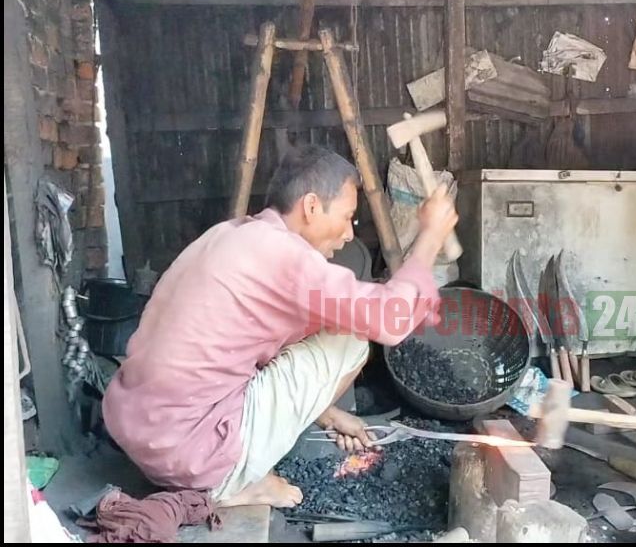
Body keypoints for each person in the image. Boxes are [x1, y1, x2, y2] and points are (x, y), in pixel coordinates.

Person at [103, 146, 458, 508]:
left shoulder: (229, 233)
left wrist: (324, 413)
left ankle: (227, 469)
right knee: (352, 337)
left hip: (142, 435)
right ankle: (231, 484)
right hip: (191, 453)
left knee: (319, 331)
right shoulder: (284, 254)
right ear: (311, 207)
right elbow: (390, 321)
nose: (350, 234)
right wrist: (430, 236)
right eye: (348, 217)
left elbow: (243, 355)